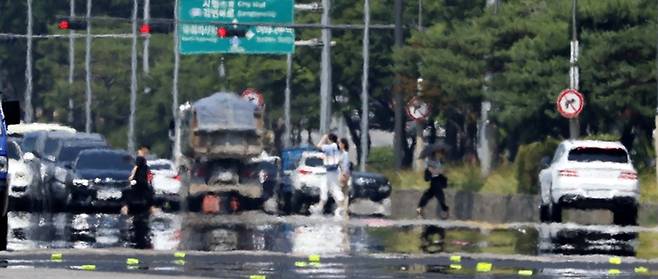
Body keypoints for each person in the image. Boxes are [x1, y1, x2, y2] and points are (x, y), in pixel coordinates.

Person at [310, 133, 345, 216]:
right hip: (335, 171)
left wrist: (324, 138)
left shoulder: (330, 147)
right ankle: (320, 207)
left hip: (331, 172)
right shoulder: (336, 147)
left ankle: (340, 208)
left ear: (329, 139)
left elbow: (318, 146)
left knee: (332, 189)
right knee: (328, 188)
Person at [121, 145, 155, 215]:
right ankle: (126, 208)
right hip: (139, 180)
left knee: (139, 192)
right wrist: (132, 175)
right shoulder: (140, 158)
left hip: (140, 180)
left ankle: (149, 209)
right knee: (146, 193)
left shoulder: (142, 160)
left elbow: (145, 171)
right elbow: (136, 167)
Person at [416, 149, 449, 218]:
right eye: (440, 153)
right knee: (439, 194)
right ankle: (444, 210)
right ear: (436, 153)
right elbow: (431, 170)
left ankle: (420, 207)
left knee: (430, 194)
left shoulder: (440, 161)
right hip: (434, 180)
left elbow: (443, 171)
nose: (441, 155)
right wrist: (439, 171)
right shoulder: (431, 161)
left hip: (438, 180)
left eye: (441, 154)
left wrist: (441, 171)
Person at [338, 138, 351, 216]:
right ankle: (343, 208)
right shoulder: (341, 153)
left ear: (343, 145)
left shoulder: (345, 154)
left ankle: (344, 209)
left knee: (343, 192)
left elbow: (345, 165)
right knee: (342, 192)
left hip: (343, 175)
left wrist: (344, 175)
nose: (338, 145)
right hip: (340, 174)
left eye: (340, 143)